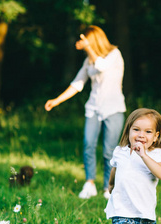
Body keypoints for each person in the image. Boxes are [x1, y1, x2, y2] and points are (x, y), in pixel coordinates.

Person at [45, 25, 126, 199]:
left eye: (86, 40)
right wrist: (56, 100)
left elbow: (102, 66)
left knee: (109, 150)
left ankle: (108, 188)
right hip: (93, 108)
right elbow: (77, 83)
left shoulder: (114, 55)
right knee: (88, 144)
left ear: (94, 40)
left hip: (114, 109)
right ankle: (89, 184)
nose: (83, 44)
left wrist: (88, 46)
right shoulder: (88, 61)